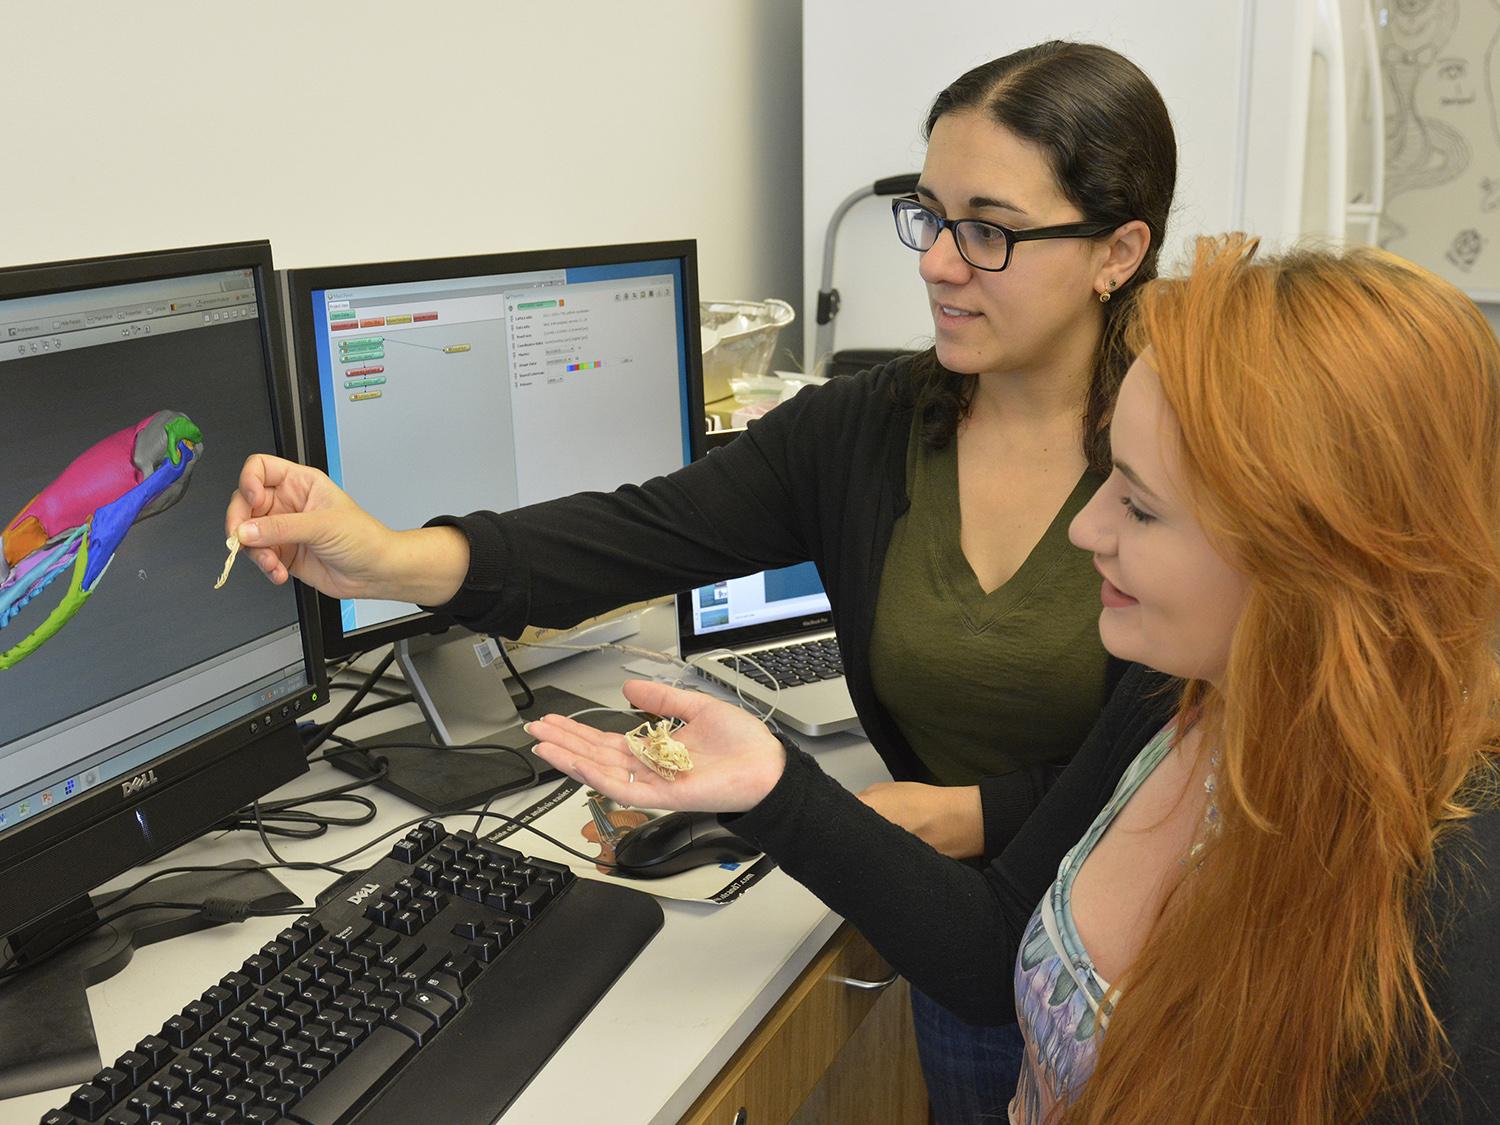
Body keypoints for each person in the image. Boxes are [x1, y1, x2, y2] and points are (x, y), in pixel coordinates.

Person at [226, 41, 1177, 1121]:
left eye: (990, 231)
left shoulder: (1184, 469)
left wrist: (969, 809)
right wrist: (384, 554)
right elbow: (637, 534)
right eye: (929, 215)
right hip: (953, 926)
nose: (937, 263)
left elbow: (1183, 757)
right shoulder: (869, 429)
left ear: (1118, 251)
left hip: (1156, 954)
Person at [526, 234, 1500, 1123]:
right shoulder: (1183, 698)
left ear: (1317, 557)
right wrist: (773, 788)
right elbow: (993, 958)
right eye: (1106, 477)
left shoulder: (1451, 908)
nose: (1086, 531)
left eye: (1144, 510)